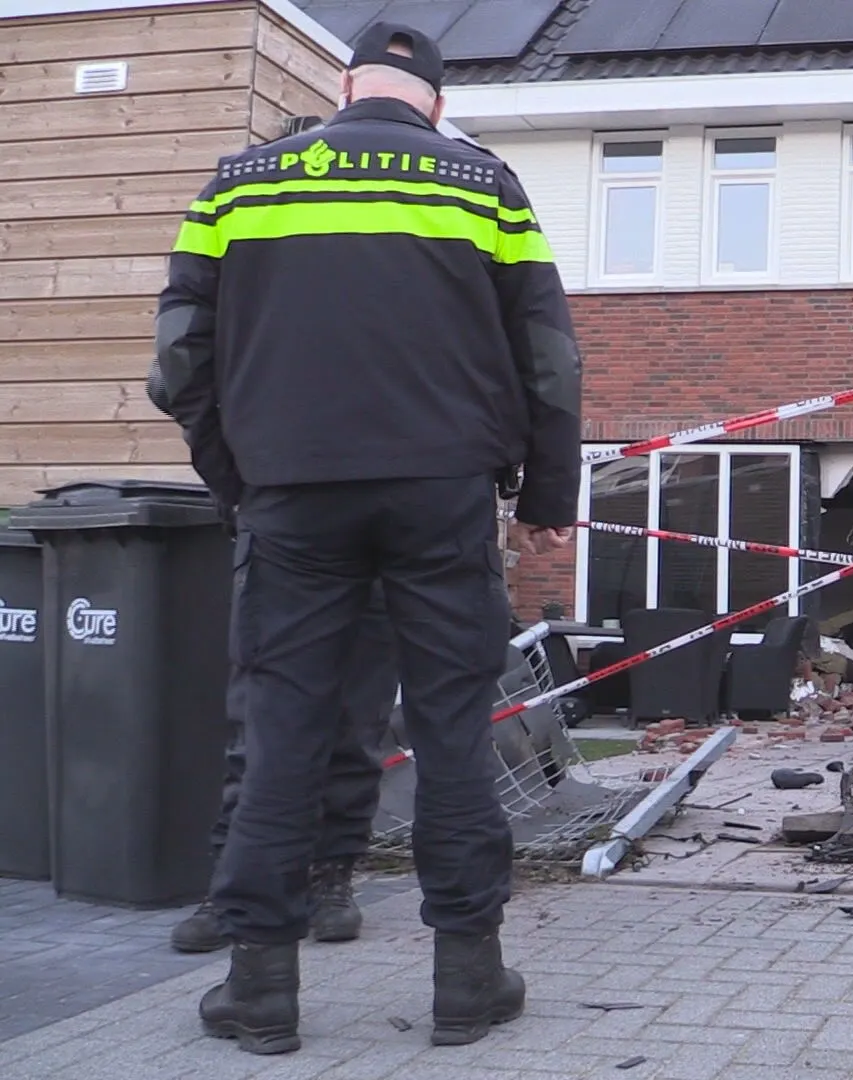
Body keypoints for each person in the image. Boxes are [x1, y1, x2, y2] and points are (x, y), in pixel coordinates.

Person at [151, 21, 581, 1056]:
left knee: (282, 732)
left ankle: (260, 989)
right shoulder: (482, 185)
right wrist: (545, 495)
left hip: (293, 495)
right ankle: (469, 981)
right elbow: (550, 359)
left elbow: (179, 363)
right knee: (451, 733)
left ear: (346, 89)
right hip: (442, 496)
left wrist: (238, 479)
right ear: (432, 101)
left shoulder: (238, 184)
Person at [146, 364, 399, 955]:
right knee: (260, 722)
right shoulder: (262, 287)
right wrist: (239, 479)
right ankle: (236, 884)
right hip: (285, 529)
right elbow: (176, 374)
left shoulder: (396, 297)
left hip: (386, 534)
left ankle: (330, 875)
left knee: (357, 722)